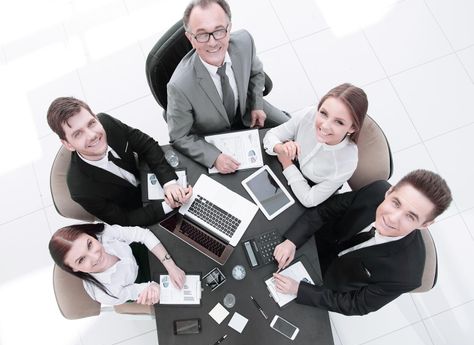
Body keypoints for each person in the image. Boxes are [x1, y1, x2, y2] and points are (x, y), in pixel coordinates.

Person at [272, 169, 452, 315]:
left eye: (410, 216)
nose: (392, 218)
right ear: (389, 191)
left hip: (323, 285)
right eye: (396, 203)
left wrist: (299, 290)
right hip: (311, 242)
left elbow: (356, 305)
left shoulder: (406, 276)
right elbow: (326, 210)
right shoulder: (376, 191)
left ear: (425, 224)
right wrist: (292, 241)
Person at [166, 0, 290, 173]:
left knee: (294, 131)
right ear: (190, 39)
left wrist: (256, 104)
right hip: (213, 133)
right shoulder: (179, 86)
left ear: (229, 28)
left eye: (219, 31)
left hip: (248, 108)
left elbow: (256, 73)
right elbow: (179, 137)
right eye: (202, 35)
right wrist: (214, 157)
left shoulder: (245, 41)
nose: (212, 43)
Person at [47, 97, 192, 226]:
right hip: (141, 213)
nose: (92, 135)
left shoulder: (107, 122)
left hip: (152, 178)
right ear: (68, 144)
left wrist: (169, 183)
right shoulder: (81, 190)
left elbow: (146, 145)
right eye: (78, 134)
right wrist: (168, 205)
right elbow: (124, 220)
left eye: (91, 123)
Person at [263, 83, 367, 208]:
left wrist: (286, 163)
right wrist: (280, 148)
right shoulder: (309, 115)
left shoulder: (346, 162)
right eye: (323, 113)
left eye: (338, 122)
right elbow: (271, 135)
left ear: (352, 128)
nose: (325, 126)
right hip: (285, 171)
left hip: (306, 188)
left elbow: (309, 200)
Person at [49, 223, 185, 305]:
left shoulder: (103, 233)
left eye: (90, 244)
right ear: (73, 269)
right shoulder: (103, 293)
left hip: (141, 252)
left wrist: (170, 266)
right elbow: (144, 289)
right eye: (81, 260)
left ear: (91, 235)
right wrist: (153, 290)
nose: (95, 256)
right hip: (138, 282)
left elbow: (142, 234)